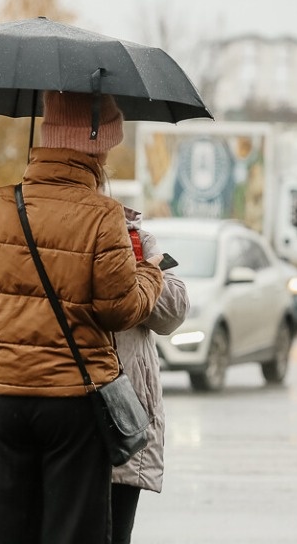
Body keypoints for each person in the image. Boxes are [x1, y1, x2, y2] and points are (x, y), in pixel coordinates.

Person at [0, 90, 165, 544]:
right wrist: (149, 273)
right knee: (72, 531)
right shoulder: (103, 216)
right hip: (73, 402)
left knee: (4, 530)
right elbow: (120, 309)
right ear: (95, 145)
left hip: (2, 396)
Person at [110, 207, 189, 544]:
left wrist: (140, 270)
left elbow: (172, 313)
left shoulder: (131, 236)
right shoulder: (30, 222)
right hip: (82, 407)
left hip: (119, 413)